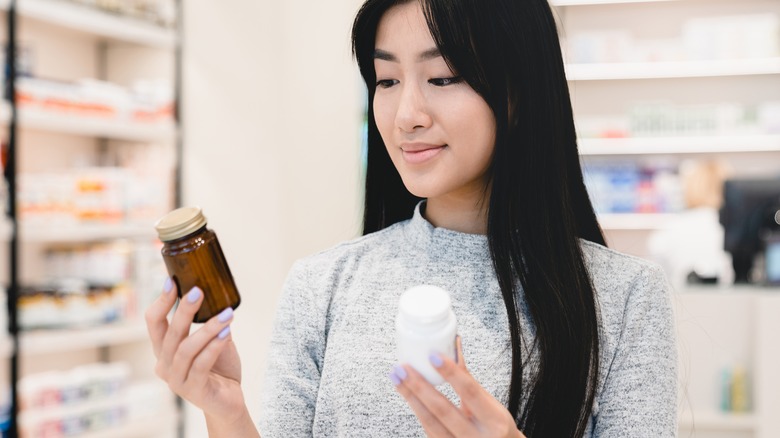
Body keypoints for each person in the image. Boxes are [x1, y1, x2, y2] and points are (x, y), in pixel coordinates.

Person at [145, 0, 678, 437]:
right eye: (386, 80)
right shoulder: (322, 285)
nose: (407, 115)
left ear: (518, 91)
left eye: (442, 77)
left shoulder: (624, 298)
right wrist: (226, 413)